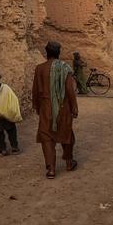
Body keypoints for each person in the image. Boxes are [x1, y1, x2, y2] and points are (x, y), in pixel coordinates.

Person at [32, 41, 79, 179]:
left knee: (46, 137)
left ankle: (51, 169)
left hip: (46, 107)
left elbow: (35, 90)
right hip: (63, 107)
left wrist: (36, 106)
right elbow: (70, 90)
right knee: (66, 133)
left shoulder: (39, 68)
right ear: (59, 53)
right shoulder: (65, 68)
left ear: (47, 52)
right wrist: (74, 106)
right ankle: (69, 162)